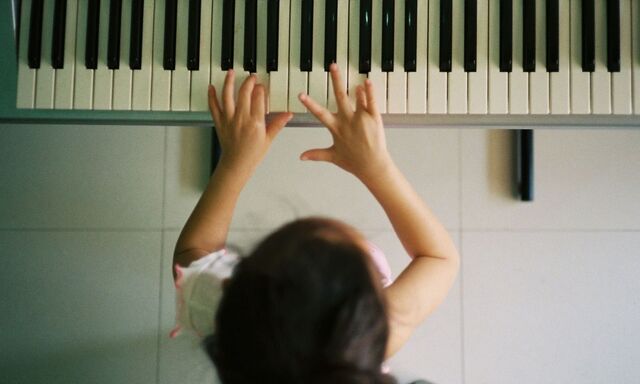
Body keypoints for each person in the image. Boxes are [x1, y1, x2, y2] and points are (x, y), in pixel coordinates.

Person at [171, 64, 460, 384]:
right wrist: (376, 166)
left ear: (232, 285)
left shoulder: (363, 337)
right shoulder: (243, 328)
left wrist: (234, 161)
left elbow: (192, 251)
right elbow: (440, 258)